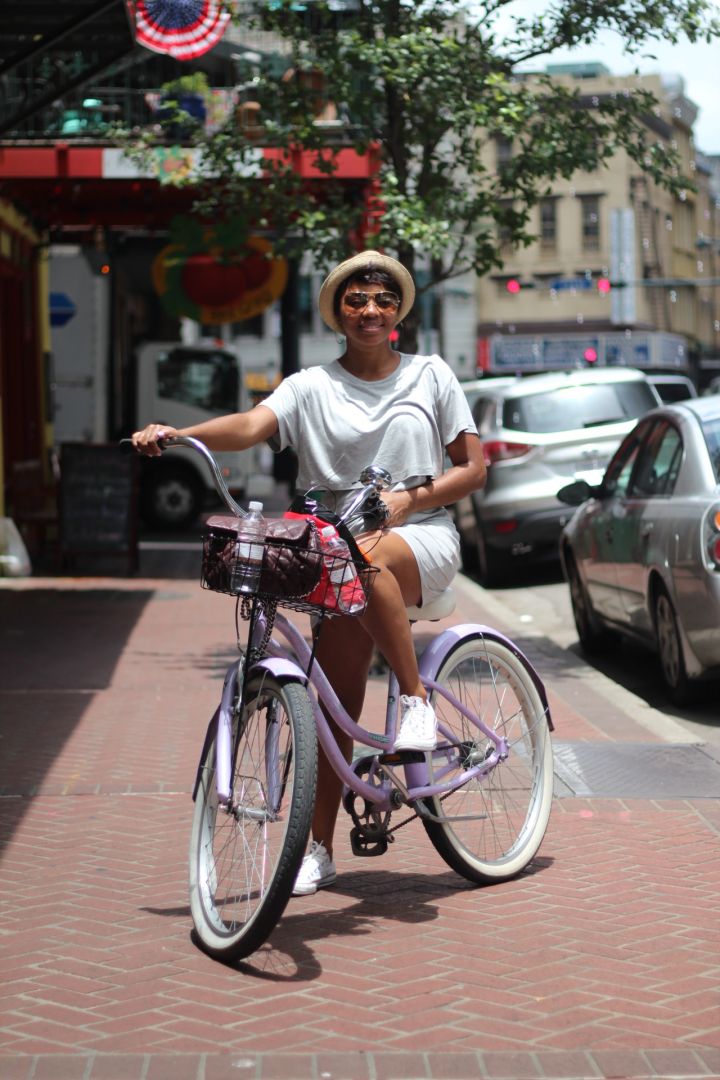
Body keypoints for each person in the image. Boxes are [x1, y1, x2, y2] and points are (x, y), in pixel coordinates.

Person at [132, 250, 486, 896]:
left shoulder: (432, 376)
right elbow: (250, 424)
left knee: (369, 558)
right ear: (338, 313)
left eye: (382, 299)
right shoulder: (309, 386)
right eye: (356, 301)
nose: (370, 310)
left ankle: (414, 702)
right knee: (329, 704)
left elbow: (472, 468)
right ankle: (317, 849)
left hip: (417, 538)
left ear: (398, 311)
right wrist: (182, 434)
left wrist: (411, 498)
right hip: (334, 552)